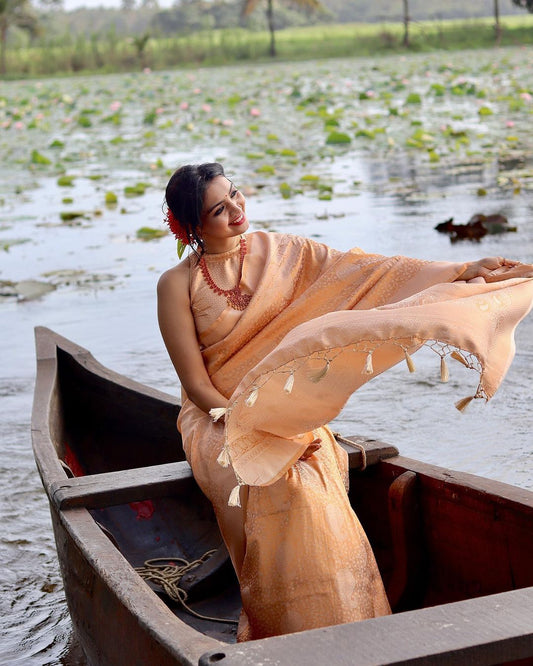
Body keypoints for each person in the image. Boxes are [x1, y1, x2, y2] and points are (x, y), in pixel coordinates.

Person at [157, 162, 533, 641]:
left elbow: (366, 273)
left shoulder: (285, 253)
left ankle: (351, 628)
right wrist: (245, 422)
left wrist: (461, 271)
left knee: (308, 471)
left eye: (236, 195)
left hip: (280, 403)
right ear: (191, 226)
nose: (236, 211)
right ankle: (284, 632)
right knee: (273, 476)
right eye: (219, 209)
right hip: (216, 417)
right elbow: (195, 384)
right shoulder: (175, 285)